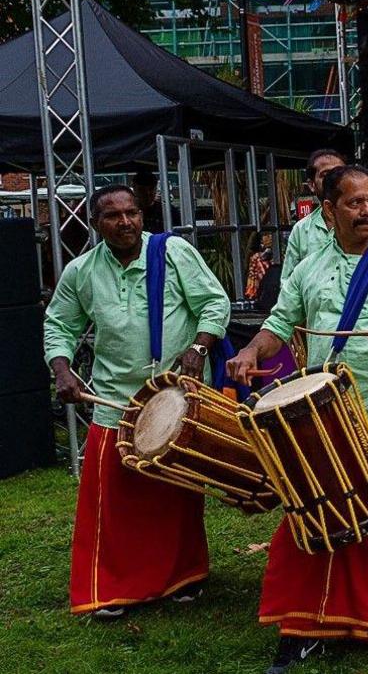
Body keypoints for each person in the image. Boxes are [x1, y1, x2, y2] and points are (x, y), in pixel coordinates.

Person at [227, 165, 368, 673]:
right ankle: (302, 628)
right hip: (323, 411)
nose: (367, 211)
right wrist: (249, 351)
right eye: (354, 203)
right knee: (309, 511)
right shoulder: (306, 268)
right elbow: (279, 325)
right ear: (328, 211)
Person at [44, 185, 230, 619]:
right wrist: (63, 369)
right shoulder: (81, 271)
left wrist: (199, 348)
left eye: (132, 213)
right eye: (113, 216)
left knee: (177, 494)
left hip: (173, 396)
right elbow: (60, 325)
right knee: (112, 498)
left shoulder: (173, 253)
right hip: (113, 399)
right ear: (96, 223)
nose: (125, 222)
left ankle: (184, 575)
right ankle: (112, 587)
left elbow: (213, 303)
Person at [281, 149, 368, 287]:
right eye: (325, 174)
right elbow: (289, 283)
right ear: (312, 185)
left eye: (339, 173)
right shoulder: (302, 230)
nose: (334, 180)